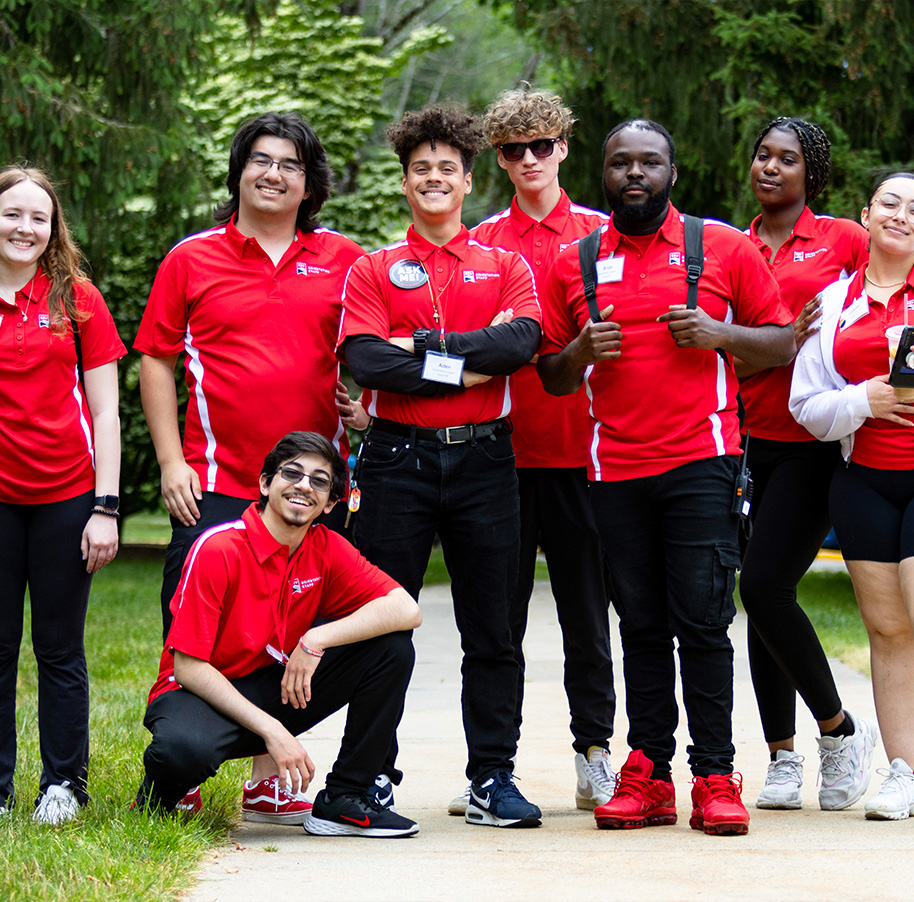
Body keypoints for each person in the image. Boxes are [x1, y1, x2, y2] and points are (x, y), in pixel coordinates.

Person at [538, 118, 795, 836]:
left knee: (704, 624)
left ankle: (715, 773)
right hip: (614, 471)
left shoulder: (722, 246)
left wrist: (722, 336)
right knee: (641, 626)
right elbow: (553, 376)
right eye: (621, 163)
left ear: (672, 172)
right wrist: (580, 351)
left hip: (701, 466)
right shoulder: (576, 261)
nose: (634, 175)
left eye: (649, 162)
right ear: (605, 174)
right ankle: (648, 772)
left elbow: (778, 342)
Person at [135, 112, 365, 821]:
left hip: (312, 494)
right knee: (197, 628)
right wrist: (172, 462)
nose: (273, 173)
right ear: (238, 172)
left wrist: (362, 412)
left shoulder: (345, 259)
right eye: (260, 160)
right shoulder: (192, 257)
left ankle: (270, 769)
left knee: (300, 631)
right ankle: (190, 762)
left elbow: (371, 354)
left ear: (310, 184)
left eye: (290, 164)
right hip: (214, 481)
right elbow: (156, 357)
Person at [337, 104, 544, 828]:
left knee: (494, 628)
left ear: (466, 179)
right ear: (405, 182)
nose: (433, 179)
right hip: (396, 460)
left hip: (487, 463)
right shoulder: (371, 268)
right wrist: (464, 364)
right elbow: (365, 359)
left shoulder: (505, 263)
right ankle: (370, 777)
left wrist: (419, 350)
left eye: (446, 169)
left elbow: (517, 345)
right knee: (382, 622)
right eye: (420, 168)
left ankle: (492, 776)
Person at [134, 431, 422, 838]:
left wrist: (315, 640)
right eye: (293, 473)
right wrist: (273, 731)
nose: (305, 485)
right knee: (181, 753)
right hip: (198, 692)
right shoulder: (219, 547)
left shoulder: (326, 547)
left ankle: (345, 799)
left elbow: (406, 609)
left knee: (390, 648)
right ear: (266, 483)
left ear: (330, 504)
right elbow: (188, 668)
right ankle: (161, 794)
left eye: (319, 481)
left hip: (275, 684)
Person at [469, 87, 616, 813]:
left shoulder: (601, 233)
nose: (527, 159)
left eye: (540, 145)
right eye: (511, 149)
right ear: (497, 160)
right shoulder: (482, 242)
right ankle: (497, 766)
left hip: (586, 454)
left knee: (588, 618)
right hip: (500, 455)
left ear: (563, 148)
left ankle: (596, 751)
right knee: (502, 624)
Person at [738, 117, 876, 811]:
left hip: (814, 447)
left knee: (764, 586)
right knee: (762, 599)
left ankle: (840, 731)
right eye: (763, 155)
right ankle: (782, 759)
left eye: (786, 159)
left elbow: (874, 317)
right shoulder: (731, 248)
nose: (770, 167)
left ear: (811, 175)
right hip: (739, 443)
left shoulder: (845, 242)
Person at [0, 166, 125, 824]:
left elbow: (106, 413)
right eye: (11, 213)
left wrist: (105, 509)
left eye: (37, 217)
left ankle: (63, 786)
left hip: (65, 498)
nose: (24, 227)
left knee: (57, 647)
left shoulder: (77, 299)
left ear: (53, 229)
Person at [790, 172, 914, 821]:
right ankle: (903, 772)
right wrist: (864, 399)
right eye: (890, 203)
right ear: (866, 214)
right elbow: (806, 406)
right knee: (888, 630)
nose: (902, 215)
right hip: (862, 479)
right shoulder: (833, 302)